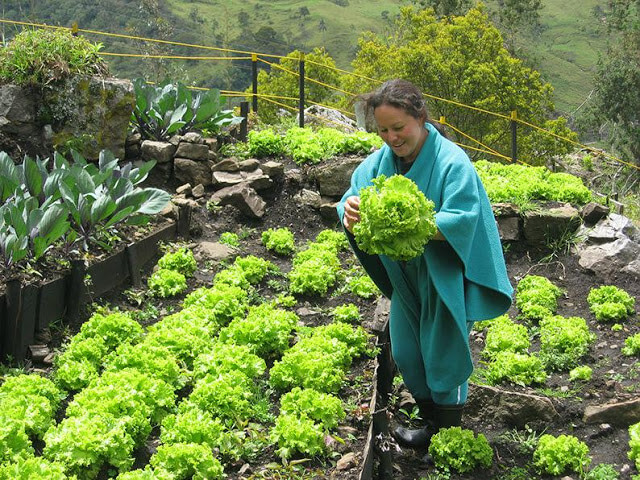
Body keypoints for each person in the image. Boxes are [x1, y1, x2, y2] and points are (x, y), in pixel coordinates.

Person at [337, 79, 513, 448]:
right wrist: (350, 210)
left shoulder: (452, 160)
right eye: (383, 130)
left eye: (398, 128)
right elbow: (352, 197)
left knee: (443, 349)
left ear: (420, 117)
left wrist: (415, 223)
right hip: (404, 277)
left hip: (443, 277)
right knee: (405, 352)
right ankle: (431, 423)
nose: (391, 138)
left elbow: (464, 217)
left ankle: (447, 434)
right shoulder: (382, 162)